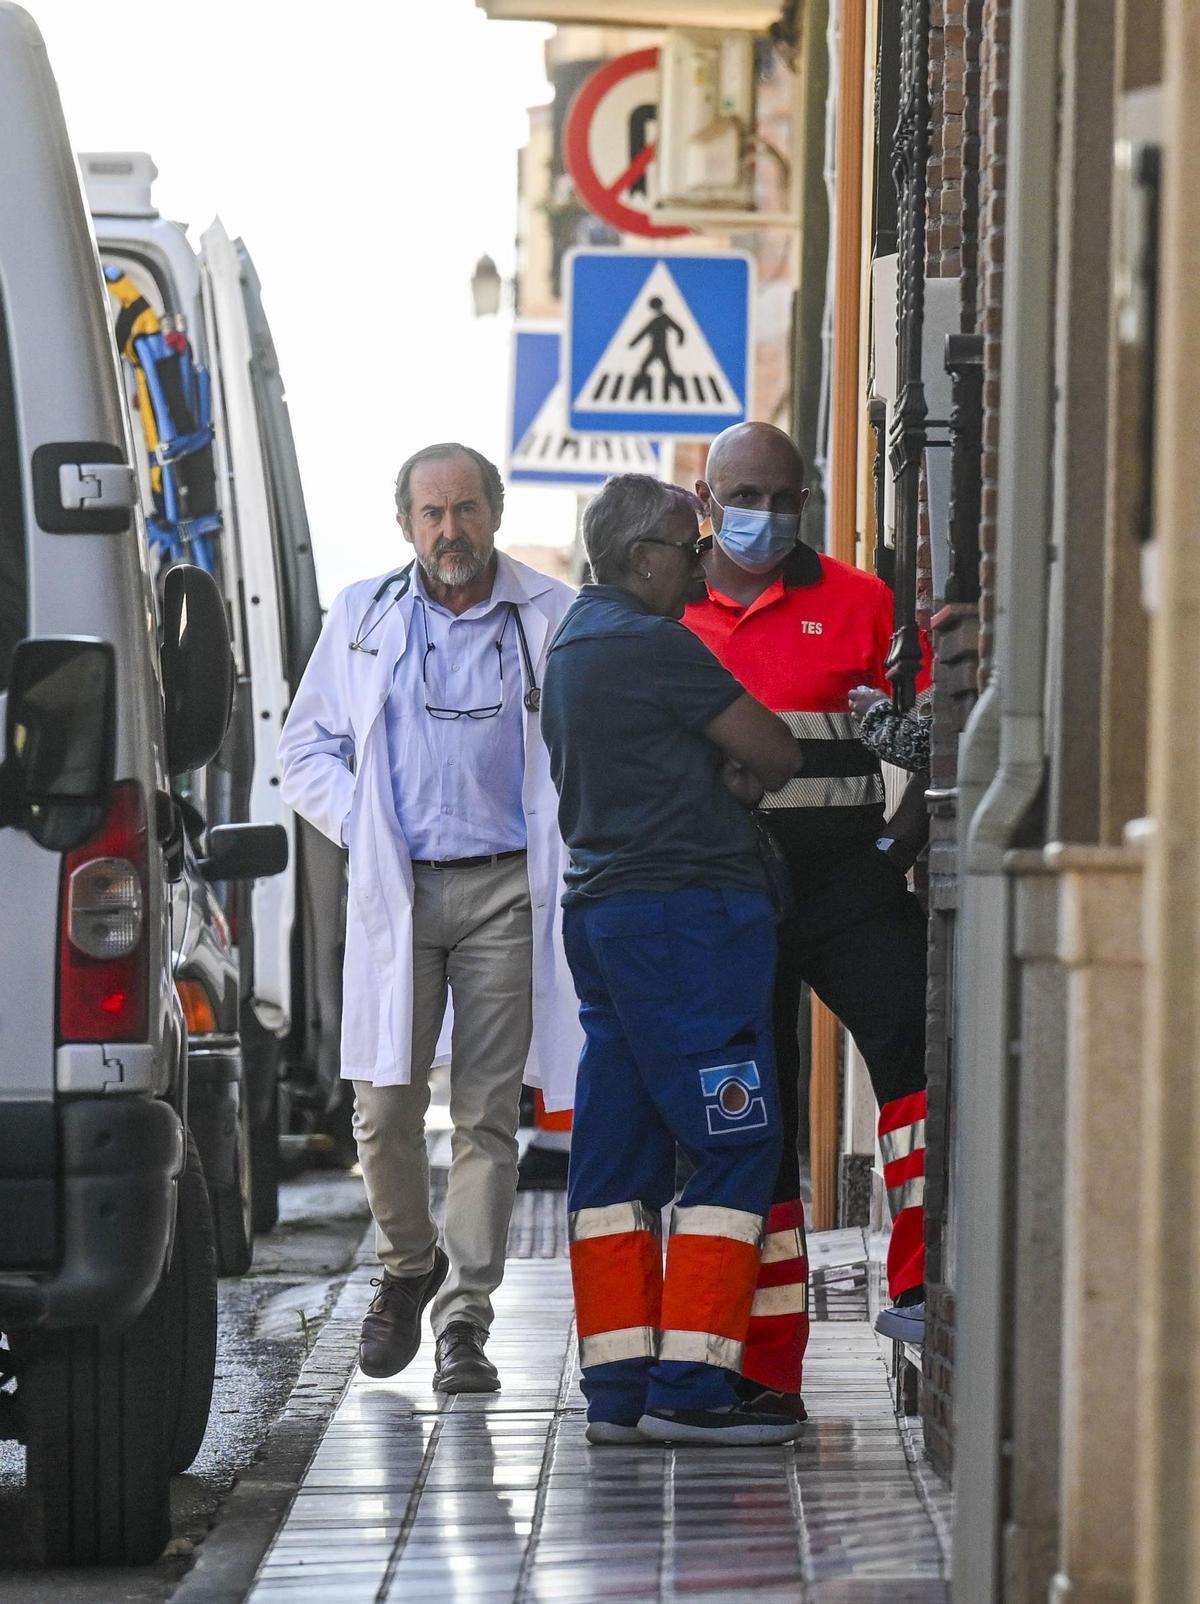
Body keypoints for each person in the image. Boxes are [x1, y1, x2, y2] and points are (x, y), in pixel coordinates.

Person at [278, 442, 581, 1394]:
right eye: (431, 515)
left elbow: (579, 747)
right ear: (406, 525)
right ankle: (411, 1266)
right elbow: (302, 749)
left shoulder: (549, 616)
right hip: (398, 886)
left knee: (489, 1116)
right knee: (384, 1108)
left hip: (503, 890)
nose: (450, 531)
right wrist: (362, 818)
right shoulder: (362, 616)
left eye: (465, 511)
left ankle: (465, 1322)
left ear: (493, 513)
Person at [540, 472, 807, 1447]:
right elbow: (773, 752)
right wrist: (731, 768)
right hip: (689, 927)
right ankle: (690, 1384)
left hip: (610, 923)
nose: (703, 556)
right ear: (642, 556)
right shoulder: (654, 645)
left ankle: (616, 1388)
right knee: (736, 1139)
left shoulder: (573, 641)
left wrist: (717, 764)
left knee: (616, 1158)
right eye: (688, 544)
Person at [684, 422, 930, 1386]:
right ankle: (763, 1361)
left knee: (917, 1048)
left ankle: (918, 1294)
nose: (770, 518)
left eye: (787, 499)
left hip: (847, 885)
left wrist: (890, 847)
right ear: (706, 504)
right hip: (730, 893)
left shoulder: (863, 602)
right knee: (754, 1111)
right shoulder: (666, 611)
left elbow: (933, 737)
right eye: (747, 498)